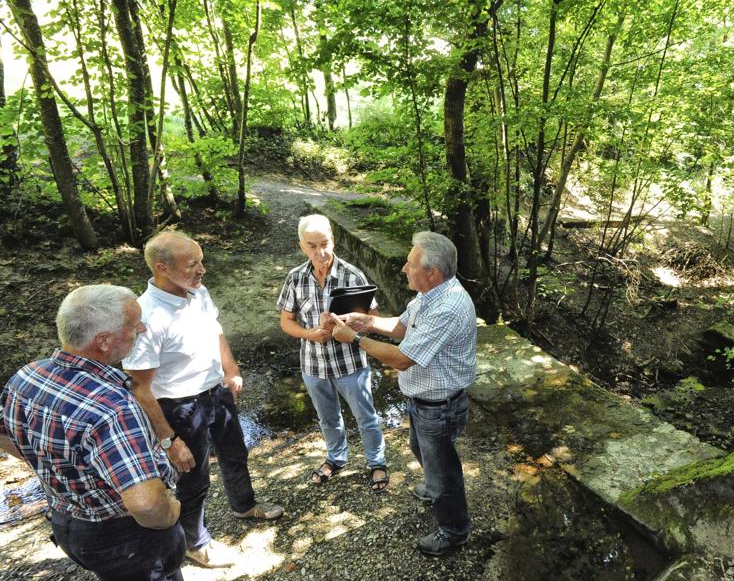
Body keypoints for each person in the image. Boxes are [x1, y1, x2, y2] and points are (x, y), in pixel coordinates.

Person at [0, 285, 184, 580]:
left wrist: (57, 466)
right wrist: (171, 513)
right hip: (125, 538)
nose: (143, 328)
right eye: (134, 324)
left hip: (67, 523)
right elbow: (147, 505)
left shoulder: (27, 376)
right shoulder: (112, 407)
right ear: (104, 341)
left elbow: (5, 433)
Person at [123, 231, 284, 569]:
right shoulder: (146, 317)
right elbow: (140, 388)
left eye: (201, 262)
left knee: (235, 453)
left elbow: (216, 329)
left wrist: (231, 368)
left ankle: (244, 505)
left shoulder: (197, 292)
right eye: (192, 264)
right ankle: (195, 543)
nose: (202, 270)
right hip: (180, 406)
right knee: (192, 478)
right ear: (162, 268)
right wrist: (168, 440)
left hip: (216, 393)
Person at [326, 231, 476, 556]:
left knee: (443, 472)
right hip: (424, 401)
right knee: (418, 446)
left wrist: (352, 338)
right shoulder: (429, 294)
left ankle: (454, 531)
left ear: (432, 273)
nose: (403, 269)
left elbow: (403, 359)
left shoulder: (448, 307)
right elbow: (402, 327)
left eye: (410, 265)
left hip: (440, 406)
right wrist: (367, 322)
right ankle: (435, 485)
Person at [277, 214, 388, 489]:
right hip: (313, 364)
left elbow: (373, 317)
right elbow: (286, 321)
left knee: (366, 416)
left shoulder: (352, 275)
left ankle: (377, 462)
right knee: (327, 417)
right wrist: (309, 334)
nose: (320, 252)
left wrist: (349, 324)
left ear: (333, 240)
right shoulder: (295, 278)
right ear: (302, 245)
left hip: (350, 362)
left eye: (325, 243)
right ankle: (336, 458)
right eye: (312, 245)